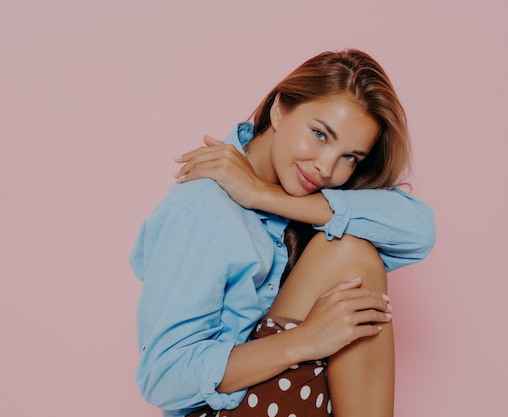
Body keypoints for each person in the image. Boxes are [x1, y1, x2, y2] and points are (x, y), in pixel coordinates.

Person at [130, 49, 435, 417]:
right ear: (279, 110)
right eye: (320, 134)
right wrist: (304, 341)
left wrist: (262, 195)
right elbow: (163, 378)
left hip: (282, 399)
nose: (327, 167)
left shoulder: (306, 200)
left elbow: (418, 231)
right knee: (350, 255)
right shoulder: (201, 209)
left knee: (353, 255)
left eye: (350, 157)